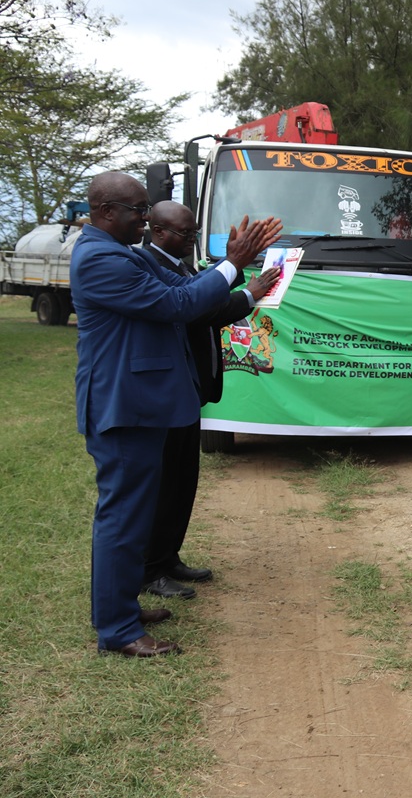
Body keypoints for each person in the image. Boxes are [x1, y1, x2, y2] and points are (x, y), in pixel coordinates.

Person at [72, 171, 281, 657]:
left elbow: (191, 291)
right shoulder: (101, 259)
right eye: (138, 211)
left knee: (134, 519)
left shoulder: (123, 254)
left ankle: (119, 607)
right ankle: (118, 631)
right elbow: (179, 303)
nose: (146, 221)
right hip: (124, 408)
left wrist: (236, 275)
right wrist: (233, 262)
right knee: (123, 521)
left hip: (141, 404)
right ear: (106, 212)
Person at [142, 201, 277, 601]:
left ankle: (168, 557)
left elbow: (206, 298)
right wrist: (248, 294)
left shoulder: (180, 264)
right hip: (167, 393)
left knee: (184, 480)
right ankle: (150, 569)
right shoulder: (151, 264)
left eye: (194, 233)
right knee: (165, 483)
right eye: (185, 234)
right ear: (160, 231)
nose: (191, 240)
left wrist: (231, 269)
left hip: (189, 390)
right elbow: (196, 311)